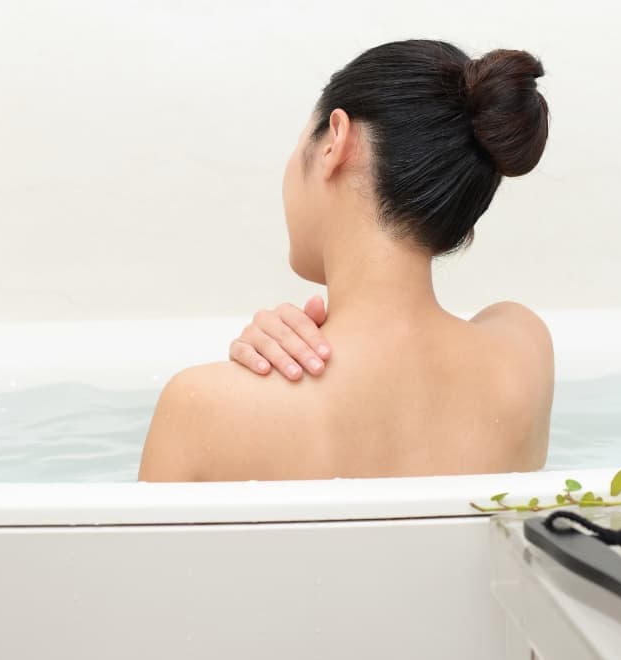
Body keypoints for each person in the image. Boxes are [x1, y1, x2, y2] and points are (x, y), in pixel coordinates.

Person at [139, 40, 553, 482]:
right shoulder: (525, 356)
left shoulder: (200, 410)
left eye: (301, 140)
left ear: (335, 141)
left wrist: (254, 380)